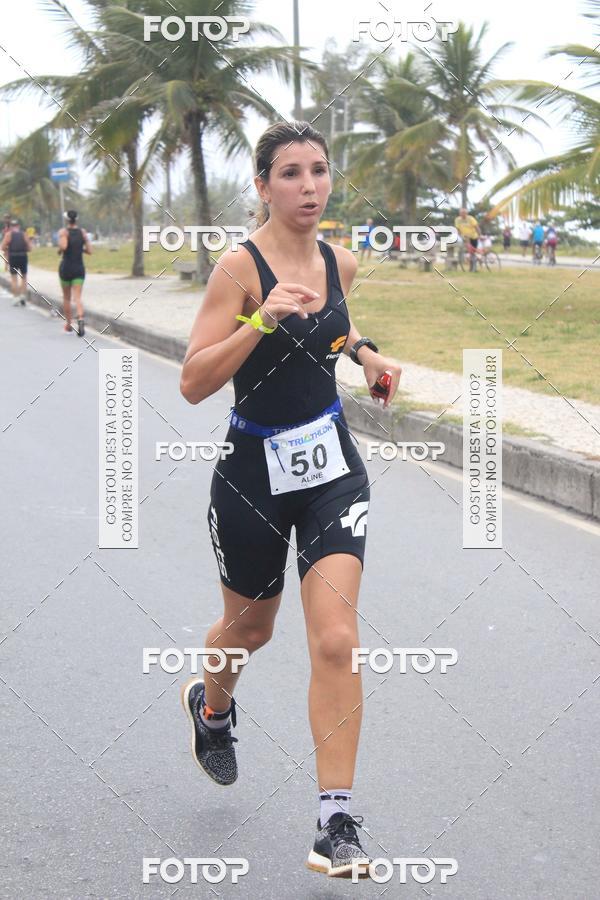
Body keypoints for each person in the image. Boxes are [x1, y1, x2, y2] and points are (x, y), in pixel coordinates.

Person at [179, 120, 402, 878]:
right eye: (291, 174)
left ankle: (334, 822)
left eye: (319, 171)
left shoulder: (341, 258)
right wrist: (258, 319)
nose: (309, 186)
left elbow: (335, 329)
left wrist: (366, 354)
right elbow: (193, 381)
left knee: (336, 638)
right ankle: (212, 710)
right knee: (249, 631)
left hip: (333, 466)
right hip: (251, 473)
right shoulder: (238, 270)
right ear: (264, 186)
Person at [57, 209, 91, 336]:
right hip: (79, 268)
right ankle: (81, 319)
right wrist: (80, 248)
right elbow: (90, 250)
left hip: (66, 268)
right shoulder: (82, 232)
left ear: (67, 220)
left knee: (66, 298)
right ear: (76, 220)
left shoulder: (63, 232)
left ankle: (69, 324)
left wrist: (60, 249)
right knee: (77, 297)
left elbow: (64, 246)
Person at [1, 219, 32, 305]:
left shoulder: (8, 234)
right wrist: (24, 249)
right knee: (24, 277)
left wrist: (8, 249)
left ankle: (16, 298)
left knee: (14, 278)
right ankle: (23, 296)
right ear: (18, 226)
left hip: (13, 257)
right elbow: (30, 248)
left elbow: (2, 247)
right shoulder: (24, 234)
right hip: (23, 257)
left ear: (11, 227)